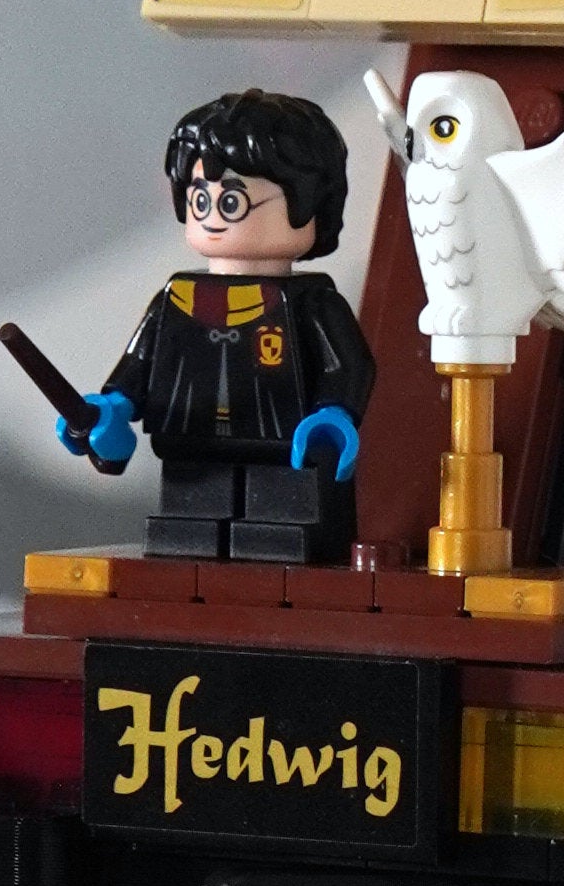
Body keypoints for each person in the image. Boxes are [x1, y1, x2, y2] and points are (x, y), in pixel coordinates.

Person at [63, 89, 375, 565]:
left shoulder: (312, 304)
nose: (211, 216)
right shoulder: (177, 298)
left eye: (232, 201)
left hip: (286, 453)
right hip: (190, 453)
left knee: (283, 535)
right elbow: (139, 362)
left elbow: (348, 365)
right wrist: (112, 406)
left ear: (310, 201)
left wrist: (334, 414)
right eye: (198, 198)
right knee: (186, 534)